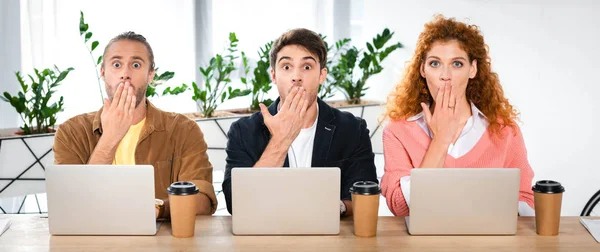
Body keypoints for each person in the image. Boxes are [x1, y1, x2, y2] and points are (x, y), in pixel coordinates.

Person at [380, 15, 535, 216]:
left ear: (473, 69)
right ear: (423, 70)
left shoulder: (505, 131)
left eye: (457, 64)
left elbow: (526, 202)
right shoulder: (397, 131)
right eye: (435, 63)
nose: (445, 75)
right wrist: (442, 140)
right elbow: (400, 208)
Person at [53, 32, 217, 218]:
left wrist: (156, 209)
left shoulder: (183, 130)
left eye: (136, 65)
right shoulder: (70, 132)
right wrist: (110, 138)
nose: (125, 74)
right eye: (116, 64)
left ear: (150, 75)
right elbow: (71, 206)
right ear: (103, 72)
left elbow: (203, 202)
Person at [223, 28, 378, 216]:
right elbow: (236, 203)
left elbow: (366, 195)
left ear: (321, 75)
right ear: (274, 75)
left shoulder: (353, 129)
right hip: (267, 238)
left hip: (332, 238)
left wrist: (337, 207)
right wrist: (280, 140)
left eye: (306, 67)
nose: (296, 76)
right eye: (286, 67)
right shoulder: (243, 131)